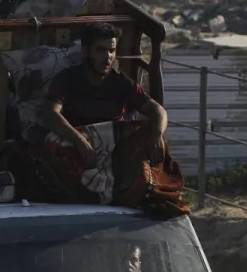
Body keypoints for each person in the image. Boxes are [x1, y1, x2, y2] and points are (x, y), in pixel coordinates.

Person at [43, 22, 168, 168]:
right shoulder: (67, 79)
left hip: (115, 144)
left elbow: (157, 110)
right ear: (85, 51)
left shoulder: (121, 82)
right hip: (79, 142)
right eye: (100, 50)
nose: (107, 56)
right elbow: (51, 114)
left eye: (111, 50)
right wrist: (79, 140)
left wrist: (157, 134)